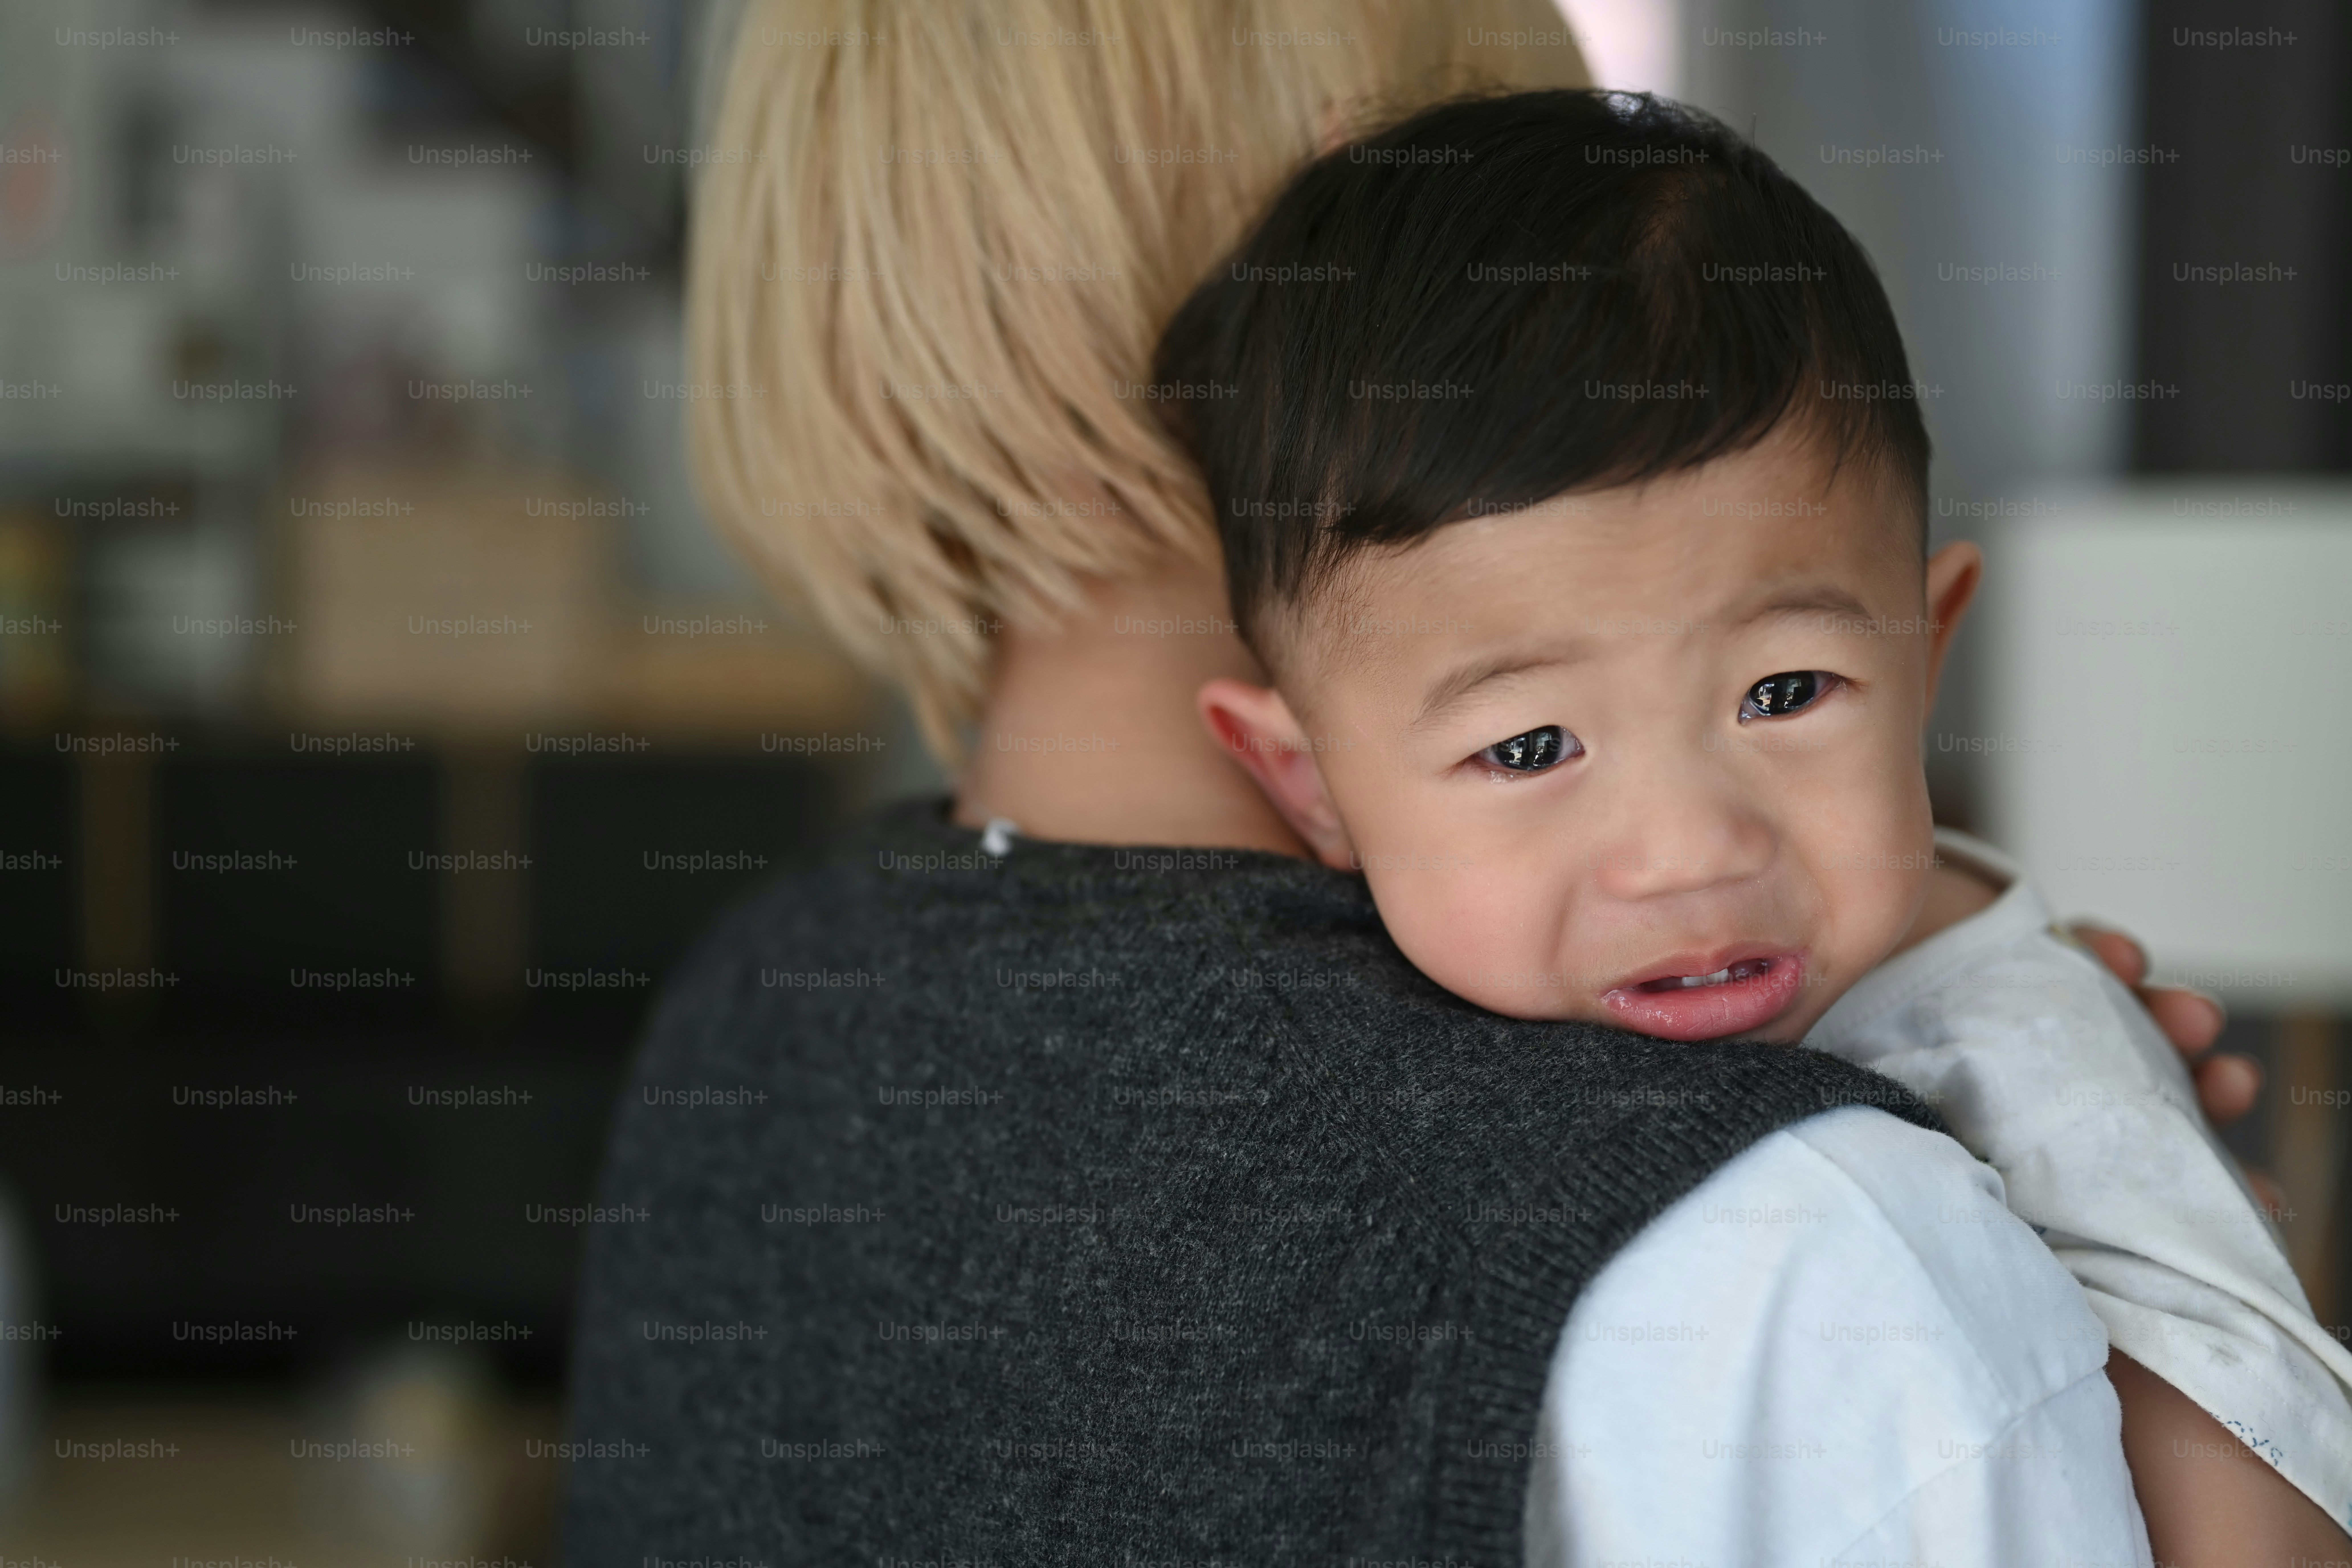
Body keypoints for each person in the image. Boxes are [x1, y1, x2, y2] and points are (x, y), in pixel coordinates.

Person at [562, 4, 2269, 1561]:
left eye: (1786, 694)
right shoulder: (1793, 1250)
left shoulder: (754, 1006)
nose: (1684, 847)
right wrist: (2140, 1274)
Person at [1159, 85, 2352, 1556]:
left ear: (1931, 648)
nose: (1691, 849)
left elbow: (2277, 1527)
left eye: (1787, 691)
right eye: (1531, 745)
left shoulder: (2036, 1064)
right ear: (1307, 785)